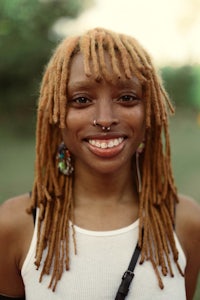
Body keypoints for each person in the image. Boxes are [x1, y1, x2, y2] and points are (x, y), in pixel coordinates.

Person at [0, 27, 199, 300]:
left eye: (126, 98)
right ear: (57, 115)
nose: (105, 119)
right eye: (81, 100)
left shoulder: (184, 221)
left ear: (149, 113)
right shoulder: (16, 224)